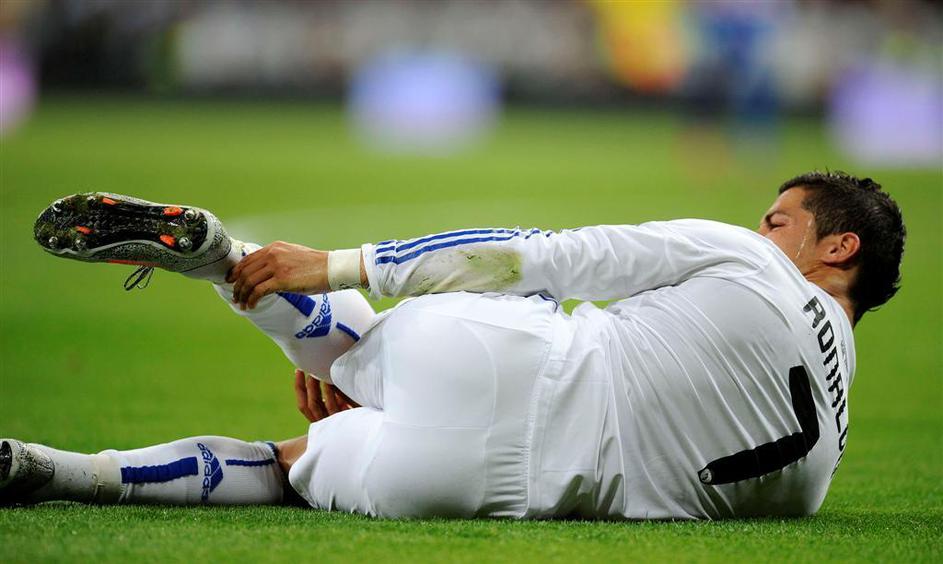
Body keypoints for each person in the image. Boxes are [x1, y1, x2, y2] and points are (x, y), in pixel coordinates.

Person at [1, 171, 905, 519]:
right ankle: (54, 471)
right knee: (290, 467)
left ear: (837, 248)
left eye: (778, 218)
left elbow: (539, 257)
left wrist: (339, 262)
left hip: (493, 355)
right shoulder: (820, 466)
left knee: (352, 349)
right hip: (465, 486)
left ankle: (225, 263)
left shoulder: (747, 259)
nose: (761, 224)